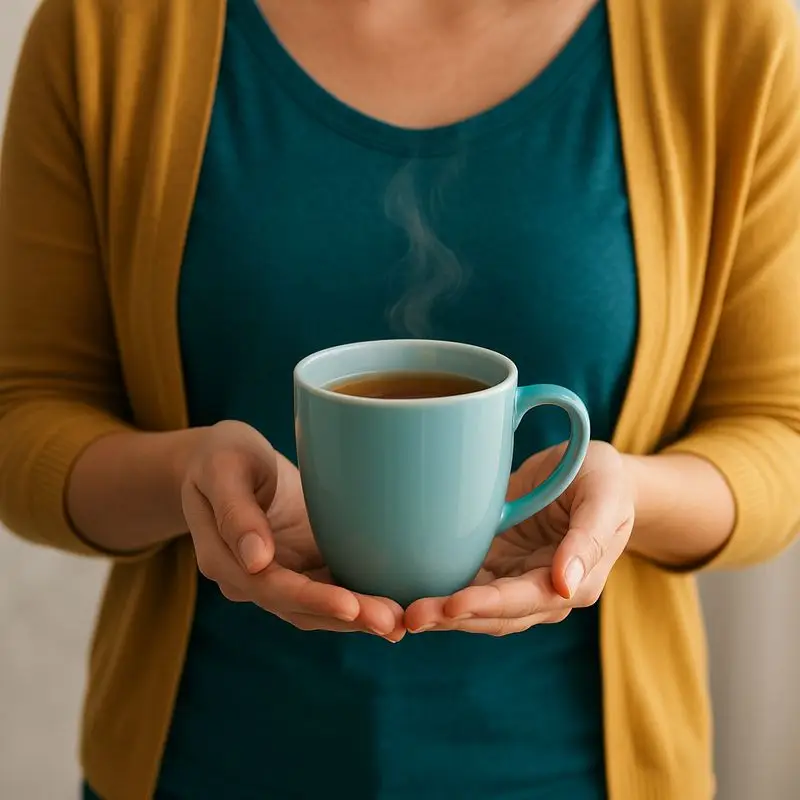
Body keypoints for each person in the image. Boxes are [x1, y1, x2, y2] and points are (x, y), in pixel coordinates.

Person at [1, 0, 799, 797]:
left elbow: (780, 431)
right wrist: (187, 474)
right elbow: (23, 414)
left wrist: (624, 493)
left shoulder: (725, 34)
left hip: (578, 774)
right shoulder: (108, 27)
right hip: (206, 765)